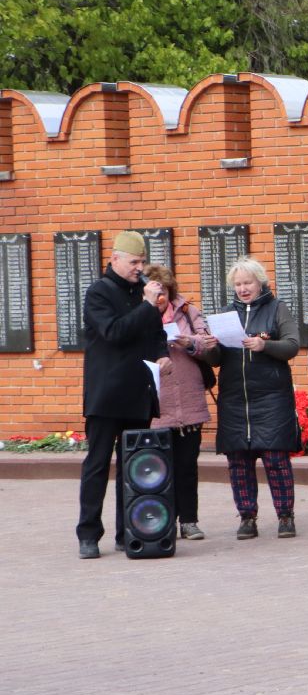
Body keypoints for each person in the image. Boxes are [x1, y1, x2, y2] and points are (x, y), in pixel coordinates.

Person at [77, 232, 168, 558]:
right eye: (134, 262)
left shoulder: (141, 294)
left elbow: (155, 333)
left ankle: (127, 531)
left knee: (134, 468)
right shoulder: (99, 292)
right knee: (98, 464)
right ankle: (88, 534)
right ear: (115, 259)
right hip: (106, 395)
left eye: (142, 262)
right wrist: (147, 305)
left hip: (137, 393)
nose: (139, 268)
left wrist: (162, 353)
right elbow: (114, 332)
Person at [213, 257, 302, 540]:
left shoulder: (277, 308)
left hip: (271, 398)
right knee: (239, 462)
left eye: (247, 283)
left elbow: (292, 345)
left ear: (260, 282)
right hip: (235, 400)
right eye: (238, 284)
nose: (243, 289)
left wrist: (265, 345)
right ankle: (247, 517)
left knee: (276, 459)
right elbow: (215, 359)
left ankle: (285, 515)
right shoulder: (226, 314)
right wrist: (209, 347)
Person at [144, 265, 216, 542]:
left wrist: (190, 342)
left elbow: (209, 343)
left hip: (188, 402)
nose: (160, 298)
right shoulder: (140, 316)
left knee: (187, 467)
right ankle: (164, 522)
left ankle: (189, 521)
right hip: (157, 405)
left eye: (163, 291)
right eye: (155, 292)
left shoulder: (188, 312)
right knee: (158, 470)